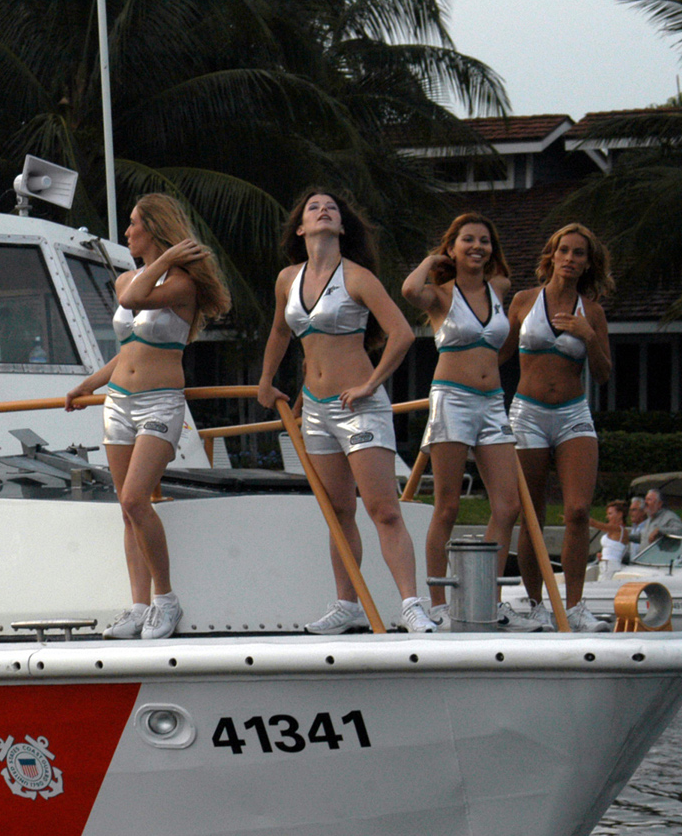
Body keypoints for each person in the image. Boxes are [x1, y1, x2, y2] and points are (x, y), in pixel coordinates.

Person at [257, 187, 431, 634]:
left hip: (359, 406)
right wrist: (266, 381)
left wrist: (372, 383)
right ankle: (347, 603)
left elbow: (402, 333)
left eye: (331, 208)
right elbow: (280, 331)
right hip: (314, 409)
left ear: (341, 225)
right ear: (301, 227)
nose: (323, 210)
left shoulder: (357, 276)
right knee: (337, 511)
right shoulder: (286, 279)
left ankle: (412, 605)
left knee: (383, 508)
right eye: (313, 207)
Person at [65, 193, 230, 640]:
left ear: (154, 229)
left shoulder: (182, 285)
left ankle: (166, 600)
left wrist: (170, 257)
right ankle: (138, 606)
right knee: (126, 509)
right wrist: (90, 384)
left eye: (134, 224)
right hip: (118, 402)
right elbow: (127, 344)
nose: (127, 233)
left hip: (160, 402)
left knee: (137, 498)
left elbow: (139, 298)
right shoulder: (126, 277)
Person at [402, 213, 529, 629]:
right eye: (468, 240)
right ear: (452, 247)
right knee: (448, 505)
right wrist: (434, 257)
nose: (478, 247)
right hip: (452, 400)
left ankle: (486, 597)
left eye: (485, 241)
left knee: (507, 506)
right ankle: (437, 601)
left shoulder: (499, 288)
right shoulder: (439, 294)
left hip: (492, 401)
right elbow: (408, 289)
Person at [505, 223, 615, 632]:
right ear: (551, 255)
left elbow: (603, 374)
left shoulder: (594, 312)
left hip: (573, 414)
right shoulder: (523, 301)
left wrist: (588, 337)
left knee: (578, 511)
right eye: (564, 251)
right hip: (527, 413)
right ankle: (535, 605)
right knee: (531, 514)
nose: (570, 259)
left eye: (579, 254)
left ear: (588, 264)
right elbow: (495, 353)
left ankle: (576, 605)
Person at [589, 499, 629, 578]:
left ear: (620, 514)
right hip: (605, 565)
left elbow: (595, 523)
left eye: (610, 514)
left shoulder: (619, 529)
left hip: (611, 566)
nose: (607, 517)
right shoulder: (614, 530)